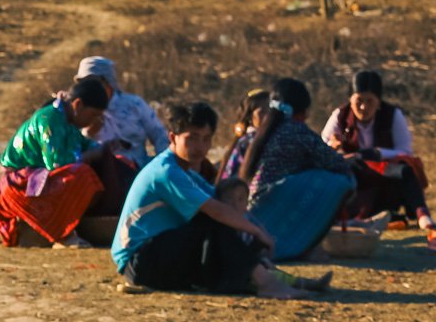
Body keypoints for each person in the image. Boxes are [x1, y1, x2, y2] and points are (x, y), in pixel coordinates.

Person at [113, 101, 321, 299]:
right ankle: (265, 282)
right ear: (173, 138)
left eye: (206, 139)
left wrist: (255, 232)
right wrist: (257, 232)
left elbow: (223, 204)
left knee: (227, 225)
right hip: (139, 262)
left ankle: (272, 276)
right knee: (214, 222)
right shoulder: (166, 172)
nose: (199, 147)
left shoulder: (188, 174)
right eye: (192, 138)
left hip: (159, 254)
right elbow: (217, 211)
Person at [0, 75, 134, 246]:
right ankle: (63, 233)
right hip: (20, 184)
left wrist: (106, 148)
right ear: (78, 105)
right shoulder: (49, 119)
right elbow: (58, 165)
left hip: (39, 179)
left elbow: (87, 146)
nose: (94, 121)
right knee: (82, 175)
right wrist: (90, 156)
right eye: (93, 114)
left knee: (118, 161)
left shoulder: (69, 123)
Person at [239, 77, 357, 261]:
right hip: (269, 210)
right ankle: (303, 245)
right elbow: (337, 164)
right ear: (304, 112)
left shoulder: (261, 133)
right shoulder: (297, 131)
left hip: (253, 211)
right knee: (338, 181)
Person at [320, 70, 436, 240]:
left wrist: (375, 153)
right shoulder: (340, 116)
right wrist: (333, 146)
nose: (364, 107)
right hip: (355, 176)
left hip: (385, 173)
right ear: (350, 100)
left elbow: (405, 151)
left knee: (405, 169)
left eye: (370, 101)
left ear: (379, 102)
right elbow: (322, 149)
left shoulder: (392, 115)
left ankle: (422, 215)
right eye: (359, 101)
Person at [77, 56, 169, 163]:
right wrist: (89, 132)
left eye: (93, 82)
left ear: (108, 82)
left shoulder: (134, 104)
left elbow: (159, 135)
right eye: (83, 83)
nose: (89, 88)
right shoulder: (80, 109)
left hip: (139, 168)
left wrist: (162, 164)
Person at [218, 90, 271, 183]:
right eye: (262, 112)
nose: (267, 117)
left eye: (270, 112)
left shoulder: (275, 139)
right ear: (250, 117)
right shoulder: (246, 142)